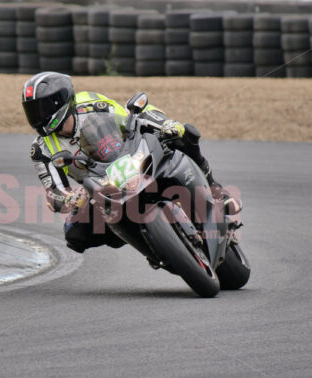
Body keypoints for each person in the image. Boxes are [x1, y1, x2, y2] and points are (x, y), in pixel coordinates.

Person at [21, 71, 240, 253]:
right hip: (100, 187)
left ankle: (216, 189)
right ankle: (150, 243)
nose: (37, 117)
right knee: (75, 234)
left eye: (40, 109)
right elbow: (53, 193)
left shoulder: (91, 103)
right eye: (31, 111)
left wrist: (165, 125)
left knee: (182, 134)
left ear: (60, 101)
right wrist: (70, 198)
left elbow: (130, 119)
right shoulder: (41, 149)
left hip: (130, 155)